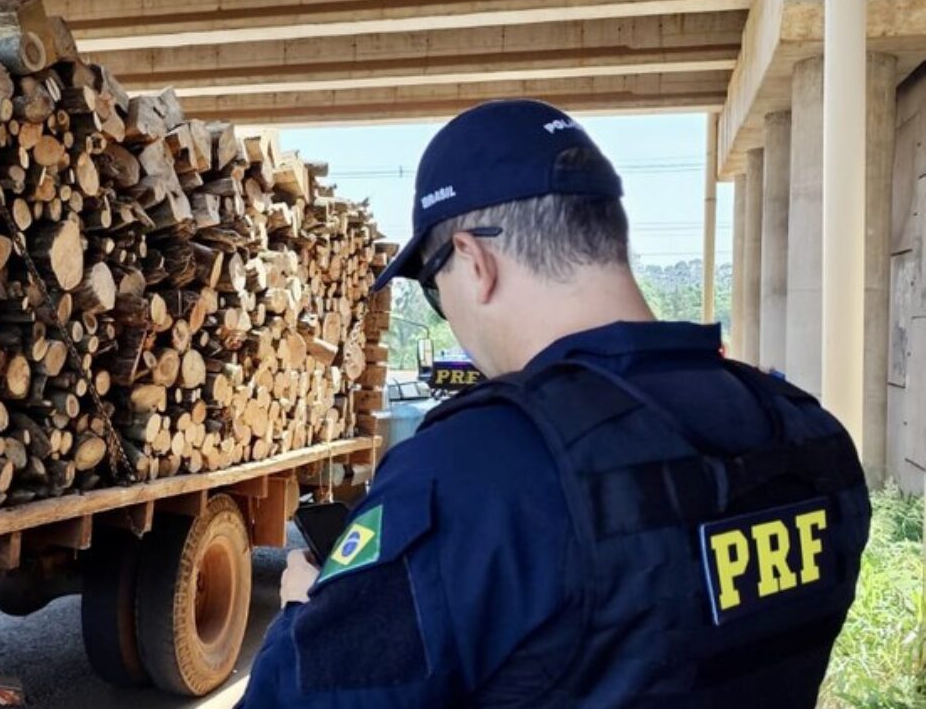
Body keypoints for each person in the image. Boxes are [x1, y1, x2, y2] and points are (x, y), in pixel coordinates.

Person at [237, 100, 871, 708]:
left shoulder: (479, 470)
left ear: (474, 261)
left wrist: (306, 613)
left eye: (434, 290)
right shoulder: (807, 432)